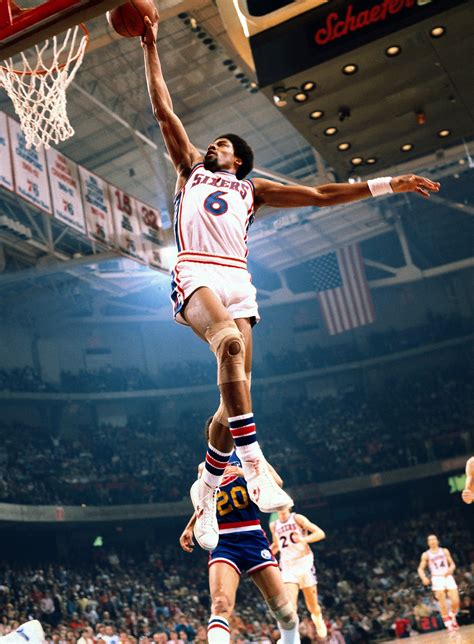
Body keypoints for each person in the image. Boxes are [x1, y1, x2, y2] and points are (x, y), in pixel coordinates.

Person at [140, 13, 441, 552]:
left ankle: (204, 495)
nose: (216, 145)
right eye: (215, 142)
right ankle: (255, 466)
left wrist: (387, 183)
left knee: (232, 414)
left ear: (241, 158)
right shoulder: (188, 169)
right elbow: (163, 109)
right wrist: (150, 44)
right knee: (227, 342)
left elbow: (322, 195)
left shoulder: (253, 191)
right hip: (197, 267)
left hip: (239, 279)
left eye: (226, 144)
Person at [179, 418, 300, 644]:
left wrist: (241, 470)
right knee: (220, 604)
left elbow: (277, 483)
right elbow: (205, 502)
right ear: (211, 440)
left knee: (284, 610)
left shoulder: (249, 456)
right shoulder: (204, 468)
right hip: (223, 540)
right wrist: (190, 526)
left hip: (252, 534)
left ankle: (291, 639)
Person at [270, 507, 327, 638]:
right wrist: (263, 556)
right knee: (290, 605)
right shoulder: (274, 525)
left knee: (313, 607)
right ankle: (292, 636)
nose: (281, 508)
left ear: (289, 506)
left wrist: (304, 539)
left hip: (304, 563)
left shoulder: (297, 518)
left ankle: (318, 620)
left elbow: (320, 533)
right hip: (288, 566)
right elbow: (277, 545)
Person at [417, 534, 460, 632]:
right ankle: (448, 623)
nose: (432, 541)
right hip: (437, 578)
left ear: (437, 541)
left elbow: (452, 563)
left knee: (455, 601)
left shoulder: (444, 551)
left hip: (447, 576)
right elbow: (420, 569)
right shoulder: (426, 554)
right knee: (442, 602)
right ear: (428, 543)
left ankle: (452, 616)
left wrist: (451, 569)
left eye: (434, 539)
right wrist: (424, 578)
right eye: (430, 540)